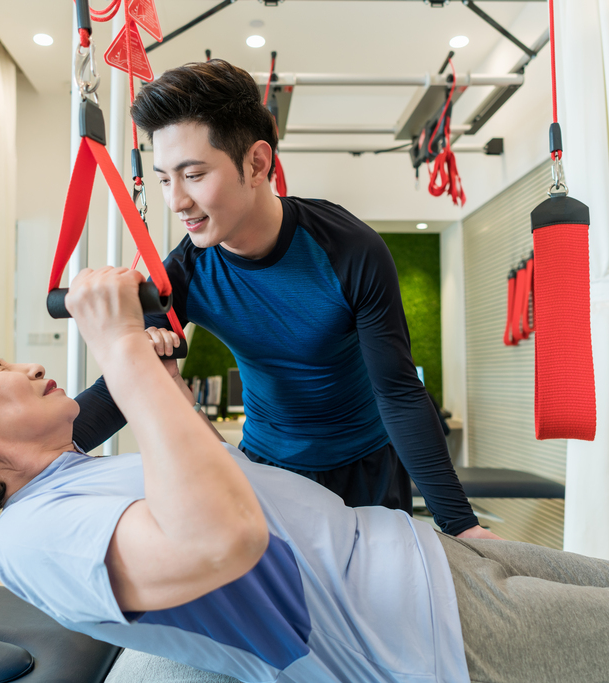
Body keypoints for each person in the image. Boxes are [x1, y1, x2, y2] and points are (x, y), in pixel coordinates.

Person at [0, 267, 609, 683]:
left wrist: (136, 364)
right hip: (429, 636)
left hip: (431, 559)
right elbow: (219, 538)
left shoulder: (69, 477)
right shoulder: (36, 537)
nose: (27, 366)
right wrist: (125, 354)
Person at [74, 59, 496, 539]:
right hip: (267, 470)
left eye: (193, 175)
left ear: (255, 163)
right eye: (165, 178)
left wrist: (461, 524)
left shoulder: (350, 250)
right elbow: (125, 382)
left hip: (369, 466)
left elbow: (398, 391)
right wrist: (41, 452)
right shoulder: (183, 273)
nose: (175, 201)